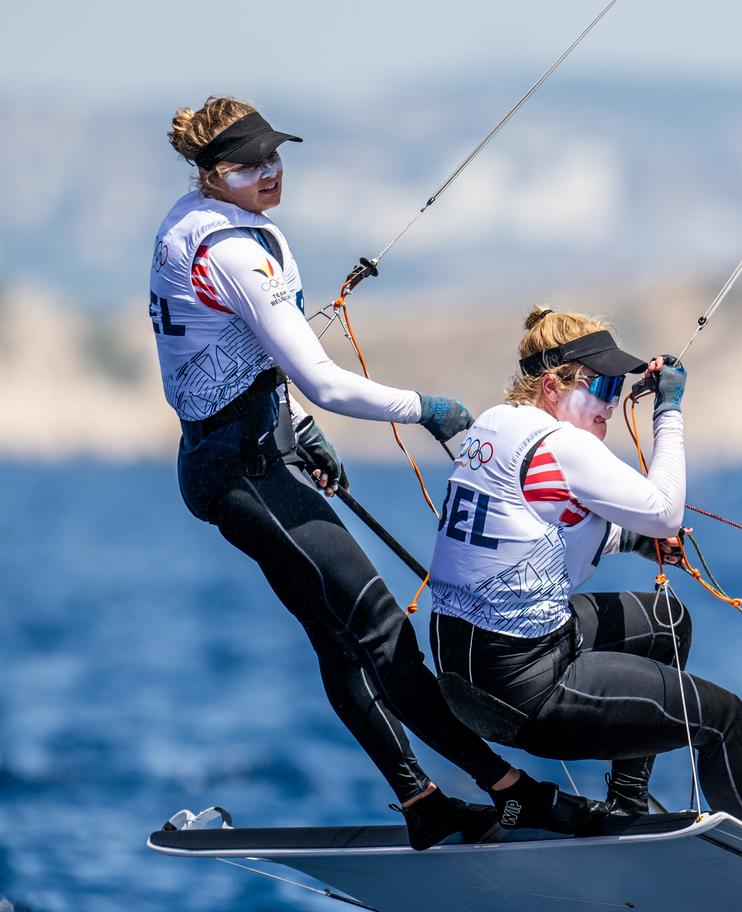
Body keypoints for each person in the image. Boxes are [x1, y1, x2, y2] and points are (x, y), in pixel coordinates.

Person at [151, 95, 603, 848]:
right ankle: (513, 791)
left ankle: (423, 800)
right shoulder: (230, 251)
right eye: (248, 164)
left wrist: (299, 429)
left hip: (242, 457)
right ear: (210, 173)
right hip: (244, 472)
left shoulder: (195, 220)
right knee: (382, 631)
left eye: (275, 155)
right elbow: (324, 378)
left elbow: (239, 360)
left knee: (338, 637)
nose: (270, 172)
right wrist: (427, 407)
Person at [427, 306, 742, 847]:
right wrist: (668, 409)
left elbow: (533, 525)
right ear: (551, 387)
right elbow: (667, 510)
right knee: (723, 718)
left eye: (617, 386)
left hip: (463, 674)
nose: (609, 402)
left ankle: (626, 804)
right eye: (598, 385)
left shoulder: (495, 424)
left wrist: (633, 541)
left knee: (666, 619)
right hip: (526, 691)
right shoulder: (563, 444)